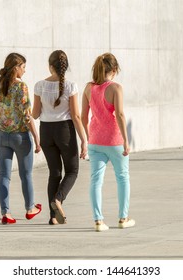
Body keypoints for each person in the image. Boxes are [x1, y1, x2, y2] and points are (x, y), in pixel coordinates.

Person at [81, 53, 135, 232]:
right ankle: (123, 218)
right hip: (115, 141)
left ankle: (98, 221)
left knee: (96, 180)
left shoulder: (88, 88)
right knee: (122, 178)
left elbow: (83, 116)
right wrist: (127, 140)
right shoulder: (116, 88)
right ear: (114, 69)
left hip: (95, 141)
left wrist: (88, 137)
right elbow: (119, 115)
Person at [32, 50, 87, 225]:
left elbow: (34, 114)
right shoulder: (71, 86)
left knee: (54, 173)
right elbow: (76, 116)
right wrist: (84, 139)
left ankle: (53, 217)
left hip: (46, 131)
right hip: (65, 131)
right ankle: (58, 199)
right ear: (66, 66)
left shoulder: (39, 85)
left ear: (50, 67)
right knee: (72, 170)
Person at [0, 53, 42, 225]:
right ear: (16, 67)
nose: (25, 71)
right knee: (25, 174)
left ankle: (6, 213)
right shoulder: (21, 87)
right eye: (23, 67)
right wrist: (36, 137)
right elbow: (27, 115)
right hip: (20, 136)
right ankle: (30, 208)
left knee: (4, 175)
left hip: (2, 136)